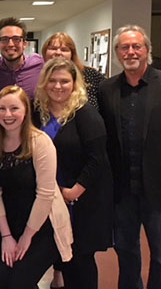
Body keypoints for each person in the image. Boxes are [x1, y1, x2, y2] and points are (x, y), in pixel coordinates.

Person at [99, 25, 161, 289]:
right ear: (117, 53)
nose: (131, 51)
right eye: (124, 47)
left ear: (147, 50)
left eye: (136, 46)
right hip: (123, 190)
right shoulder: (107, 90)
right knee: (126, 252)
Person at [0, 85, 73, 289]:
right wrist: (6, 236)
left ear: (25, 111)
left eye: (14, 109)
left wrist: (26, 237)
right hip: (11, 224)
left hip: (42, 226)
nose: (8, 115)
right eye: (2, 109)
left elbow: (45, 195)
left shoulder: (40, 143)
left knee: (18, 282)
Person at [33, 58, 113, 289]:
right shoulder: (38, 112)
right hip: (51, 197)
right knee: (61, 255)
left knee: (80, 258)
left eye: (64, 81)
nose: (58, 86)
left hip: (81, 199)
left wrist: (74, 191)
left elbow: (97, 158)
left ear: (74, 83)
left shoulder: (85, 114)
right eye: (53, 81)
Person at [42, 32, 105, 110]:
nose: (58, 53)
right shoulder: (39, 75)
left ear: (72, 54)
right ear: (45, 52)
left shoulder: (91, 75)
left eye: (64, 50)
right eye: (53, 48)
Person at [0, 17, 44, 99]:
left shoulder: (39, 64)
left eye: (16, 39)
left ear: (24, 44)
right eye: (4, 39)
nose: (10, 44)